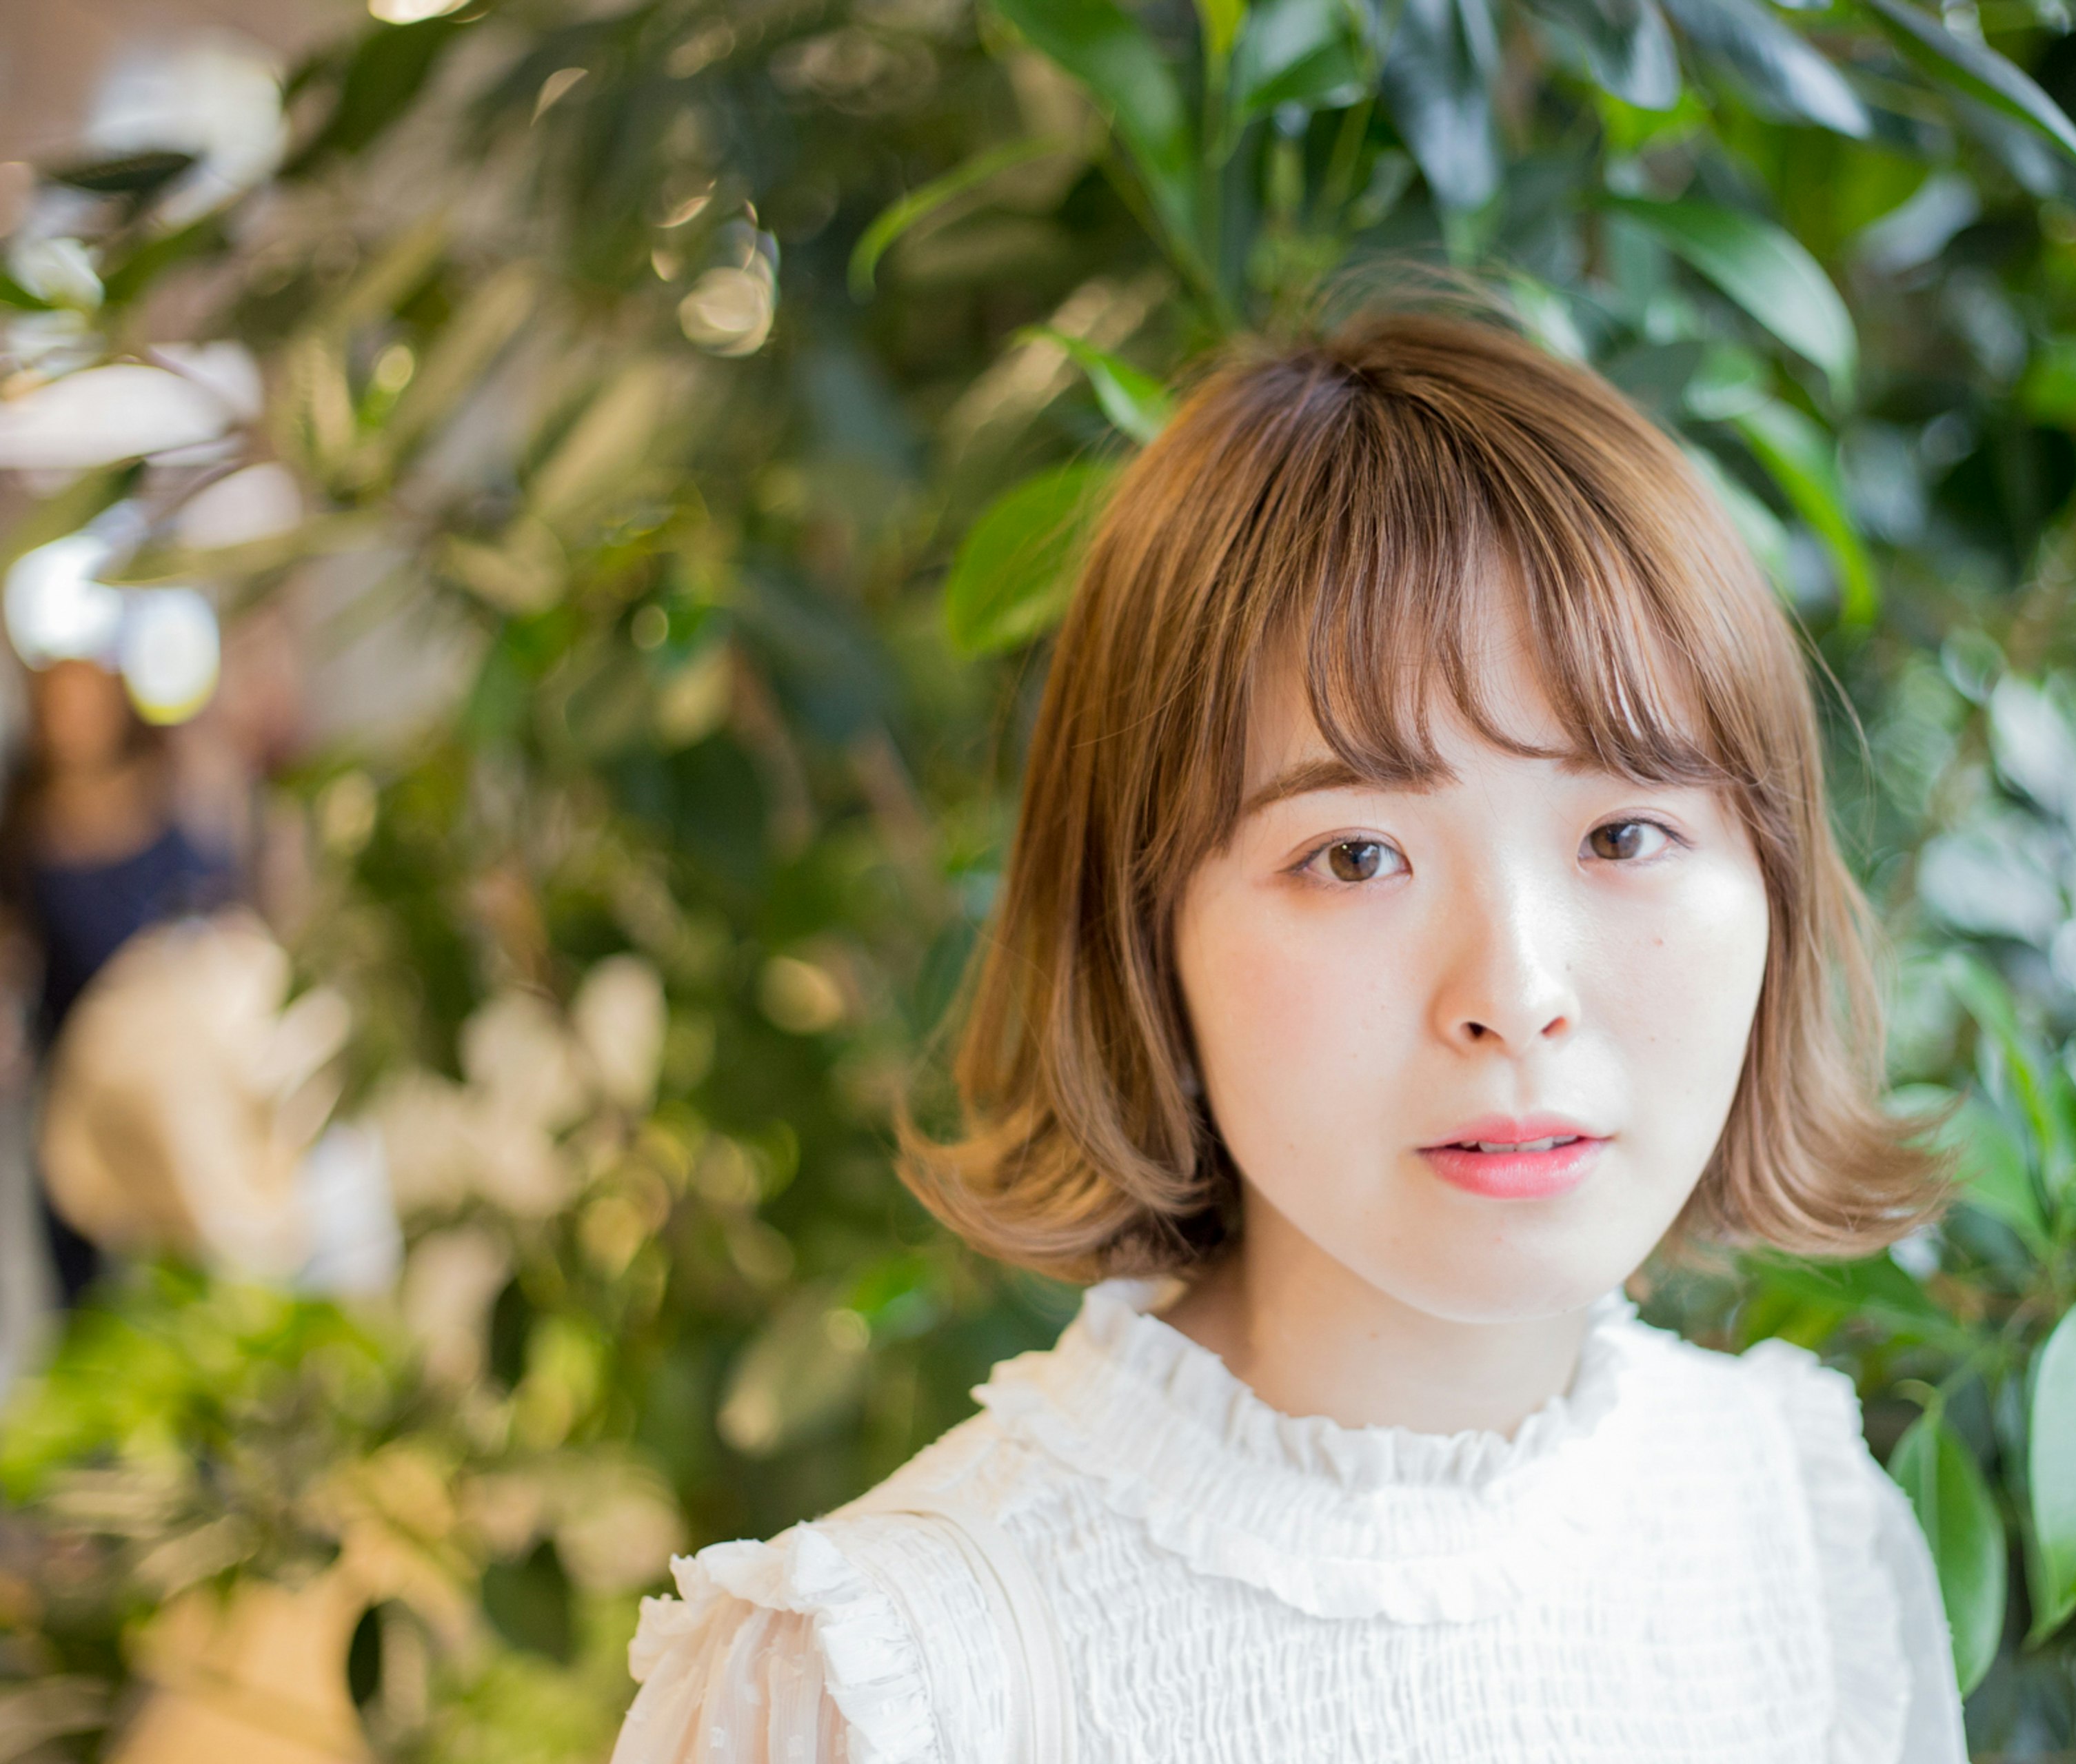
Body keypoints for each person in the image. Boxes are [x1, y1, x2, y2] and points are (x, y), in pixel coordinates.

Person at [612, 310, 1965, 1763]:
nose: (1514, 990)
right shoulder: (901, 1677)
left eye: (1626, 829)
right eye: (1356, 855)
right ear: (1146, 932)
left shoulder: (1804, 1530)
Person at [0, 656, 232, 1304]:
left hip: (166, 1066)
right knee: (79, 1248)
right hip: (70, 1064)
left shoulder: (167, 791)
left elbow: (217, 905)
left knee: (183, 1234)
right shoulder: (26, 819)